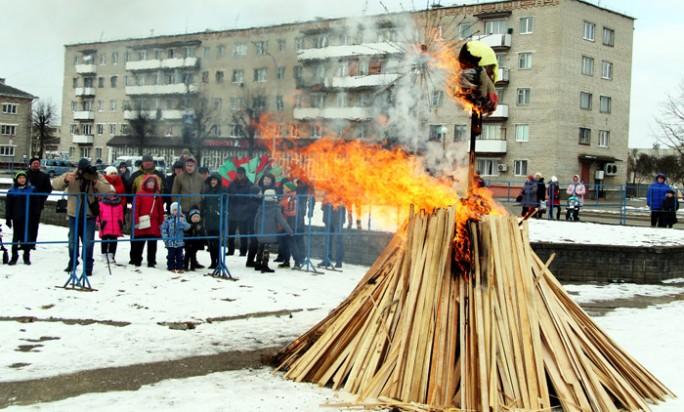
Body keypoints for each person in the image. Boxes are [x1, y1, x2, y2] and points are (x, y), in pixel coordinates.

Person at [52, 158, 112, 276]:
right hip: (74, 214)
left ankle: (88, 266)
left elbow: (107, 189)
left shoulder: (95, 175)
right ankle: (73, 262)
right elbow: (55, 184)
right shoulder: (72, 174)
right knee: (73, 241)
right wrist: (65, 179)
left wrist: (96, 182)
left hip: (89, 214)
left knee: (88, 242)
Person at [5, 171, 42, 265]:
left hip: (29, 218)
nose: (22, 180)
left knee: (27, 237)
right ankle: (14, 256)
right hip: (17, 218)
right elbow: (8, 205)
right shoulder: (12, 191)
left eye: (23, 178)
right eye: (20, 178)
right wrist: (8, 218)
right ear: (16, 179)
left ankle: (26, 256)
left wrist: (36, 215)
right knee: (16, 237)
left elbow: (36, 203)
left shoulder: (32, 189)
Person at [254, 189, 293, 273]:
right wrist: (289, 230)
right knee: (267, 249)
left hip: (260, 230)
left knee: (260, 247)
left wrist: (255, 230)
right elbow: (282, 221)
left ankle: (258, 263)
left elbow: (256, 219)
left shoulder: (261, 207)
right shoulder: (276, 209)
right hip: (270, 231)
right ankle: (264, 265)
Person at [130, 175, 164, 268]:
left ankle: (151, 261)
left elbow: (161, 210)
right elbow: (135, 208)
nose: (151, 184)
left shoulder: (157, 196)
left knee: (152, 244)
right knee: (139, 243)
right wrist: (136, 221)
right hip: (142, 221)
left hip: (153, 222)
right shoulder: (139, 194)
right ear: (145, 183)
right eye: (149, 182)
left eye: (153, 182)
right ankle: (137, 260)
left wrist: (161, 222)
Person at [24, 157, 53, 247]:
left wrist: (42, 199)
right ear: (30, 164)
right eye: (34, 163)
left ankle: (32, 243)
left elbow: (48, 189)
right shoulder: (25, 175)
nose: (36, 165)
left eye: (37, 163)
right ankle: (23, 241)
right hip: (24, 203)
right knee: (24, 222)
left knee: (34, 223)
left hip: (37, 204)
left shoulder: (44, 176)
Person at [226, 167, 253, 256]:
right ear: (236, 174)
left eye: (241, 173)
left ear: (244, 174)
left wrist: (247, 208)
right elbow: (228, 196)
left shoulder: (249, 185)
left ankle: (243, 251)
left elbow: (251, 199)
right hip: (233, 211)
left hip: (244, 212)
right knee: (231, 232)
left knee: (243, 232)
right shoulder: (232, 184)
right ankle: (230, 250)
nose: (240, 175)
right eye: (239, 173)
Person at [202, 173, 227, 269]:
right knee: (211, 242)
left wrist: (221, 211)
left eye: (215, 180)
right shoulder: (208, 190)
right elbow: (204, 203)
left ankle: (219, 261)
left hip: (218, 219)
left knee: (217, 241)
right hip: (209, 218)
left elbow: (226, 203)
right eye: (212, 180)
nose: (213, 181)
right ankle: (213, 262)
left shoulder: (223, 190)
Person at [160, 202, 191, 274]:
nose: (177, 212)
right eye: (175, 210)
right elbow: (164, 229)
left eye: (178, 210)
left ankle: (180, 267)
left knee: (180, 256)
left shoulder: (182, 219)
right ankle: (171, 267)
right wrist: (166, 239)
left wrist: (182, 222)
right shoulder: (168, 219)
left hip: (179, 242)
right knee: (171, 255)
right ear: (171, 211)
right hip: (170, 242)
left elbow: (187, 227)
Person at [97, 188, 125, 264]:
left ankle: (111, 255)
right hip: (105, 225)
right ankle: (104, 255)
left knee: (114, 241)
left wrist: (120, 223)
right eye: (109, 192)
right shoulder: (101, 203)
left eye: (112, 192)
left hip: (115, 225)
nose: (111, 194)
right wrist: (100, 223)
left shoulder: (119, 204)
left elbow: (121, 215)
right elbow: (98, 214)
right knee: (104, 240)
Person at [318, 201, 345, 269]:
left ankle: (339, 261)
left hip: (338, 217)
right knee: (328, 240)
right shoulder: (327, 191)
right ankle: (327, 260)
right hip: (328, 217)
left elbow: (346, 202)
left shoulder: (342, 191)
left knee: (338, 240)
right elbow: (323, 205)